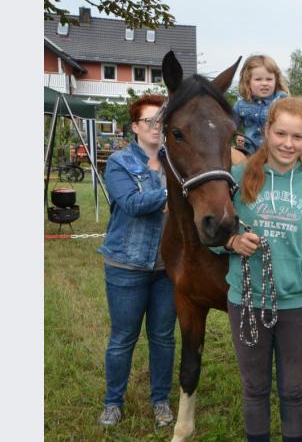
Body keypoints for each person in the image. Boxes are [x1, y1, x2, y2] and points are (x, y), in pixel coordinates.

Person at [212, 97, 302, 442]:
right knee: (254, 389)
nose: (287, 143)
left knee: (293, 391)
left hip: (298, 305)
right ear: (267, 131)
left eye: (297, 137)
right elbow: (208, 231)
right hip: (248, 302)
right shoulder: (237, 177)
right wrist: (232, 242)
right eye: (280, 133)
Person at [97, 94, 176, 427]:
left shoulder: (176, 161)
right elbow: (131, 203)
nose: (157, 128)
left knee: (163, 338)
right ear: (134, 127)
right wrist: (172, 193)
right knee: (123, 338)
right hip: (126, 266)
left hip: (167, 269)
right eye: (150, 121)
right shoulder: (119, 163)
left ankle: (160, 401)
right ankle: (113, 402)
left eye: (162, 121)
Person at [233, 54, 289, 155]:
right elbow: (230, 128)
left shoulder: (281, 100)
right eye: (258, 79)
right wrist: (238, 136)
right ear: (248, 82)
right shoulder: (240, 105)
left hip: (275, 152)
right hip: (248, 152)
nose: (264, 83)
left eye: (269, 79)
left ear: (276, 81)